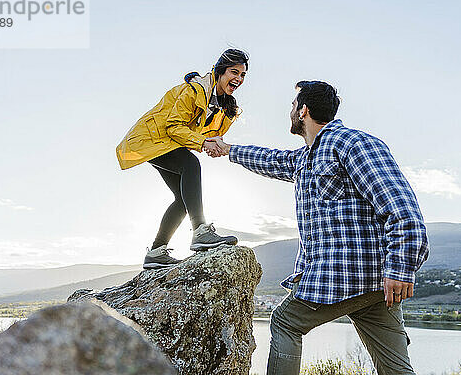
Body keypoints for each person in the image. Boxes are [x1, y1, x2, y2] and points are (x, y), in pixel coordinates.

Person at [207, 81, 430, 375]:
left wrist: (401, 268)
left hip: (348, 276)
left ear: (304, 111)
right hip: (373, 285)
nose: (289, 111)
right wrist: (228, 150)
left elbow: (402, 209)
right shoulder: (307, 156)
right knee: (396, 370)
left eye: (292, 106)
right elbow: (271, 159)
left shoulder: (353, 143)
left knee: (286, 322)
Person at [116, 49, 249, 269]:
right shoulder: (195, 91)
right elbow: (173, 125)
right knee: (190, 164)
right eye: (234, 72)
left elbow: (203, 133)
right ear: (220, 71)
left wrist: (213, 143)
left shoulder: (218, 102)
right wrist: (203, 144)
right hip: (151, 139)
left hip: (165, 142)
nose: (239, 78)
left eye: (243, 75)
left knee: (183, 197)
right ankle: (200, 231)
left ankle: (156, 252)